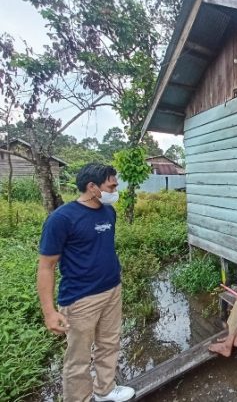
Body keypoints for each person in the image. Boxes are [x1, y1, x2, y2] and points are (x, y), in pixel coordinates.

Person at [37, 163, 135, 402]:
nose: (116, 187)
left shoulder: (108, 212)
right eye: (111, 184)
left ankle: (105, 391)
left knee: (109, 343)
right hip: (81, 299)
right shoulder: (61, 219)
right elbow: (46, 267)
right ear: (92, 187)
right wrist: (49, 312)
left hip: (112, 289)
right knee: (78, 358)